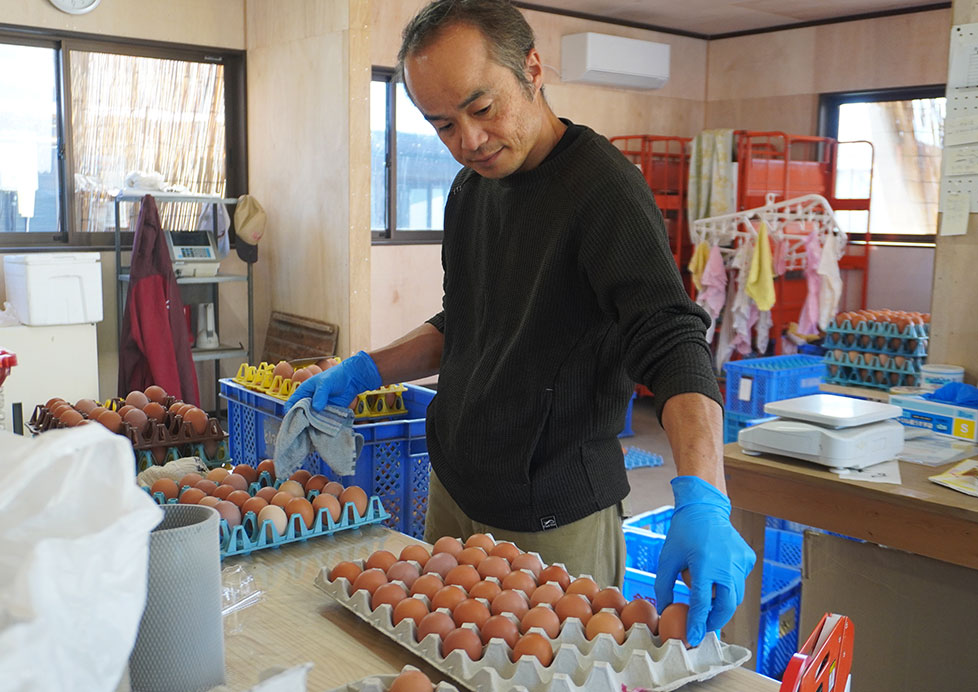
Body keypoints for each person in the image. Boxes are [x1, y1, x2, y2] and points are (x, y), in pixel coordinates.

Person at [287, 0, 754, 647]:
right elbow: (469, 321)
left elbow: (671, 339)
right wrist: (365, 369)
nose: (468, 141)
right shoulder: (470, 190)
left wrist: (703, 493)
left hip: (552, 516)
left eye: (482, 108)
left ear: (533, 68)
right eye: (443, 125)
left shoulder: (601, 192)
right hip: (454, 489)